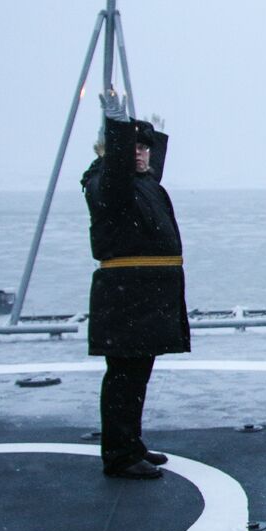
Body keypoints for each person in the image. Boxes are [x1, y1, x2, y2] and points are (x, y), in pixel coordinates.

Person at [82, 90, 191, 480]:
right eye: (135, 147)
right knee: (124, 379)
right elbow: (117, 169)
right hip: (128, 299)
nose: (141, 154)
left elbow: (147, 166)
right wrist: (118, 125)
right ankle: (119, 455)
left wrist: (154, 135)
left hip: (145, 297)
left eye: (146, 148)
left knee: (136, 376)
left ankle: (132, 443)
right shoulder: (107, 184)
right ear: (111, 150)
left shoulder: (142, 182)